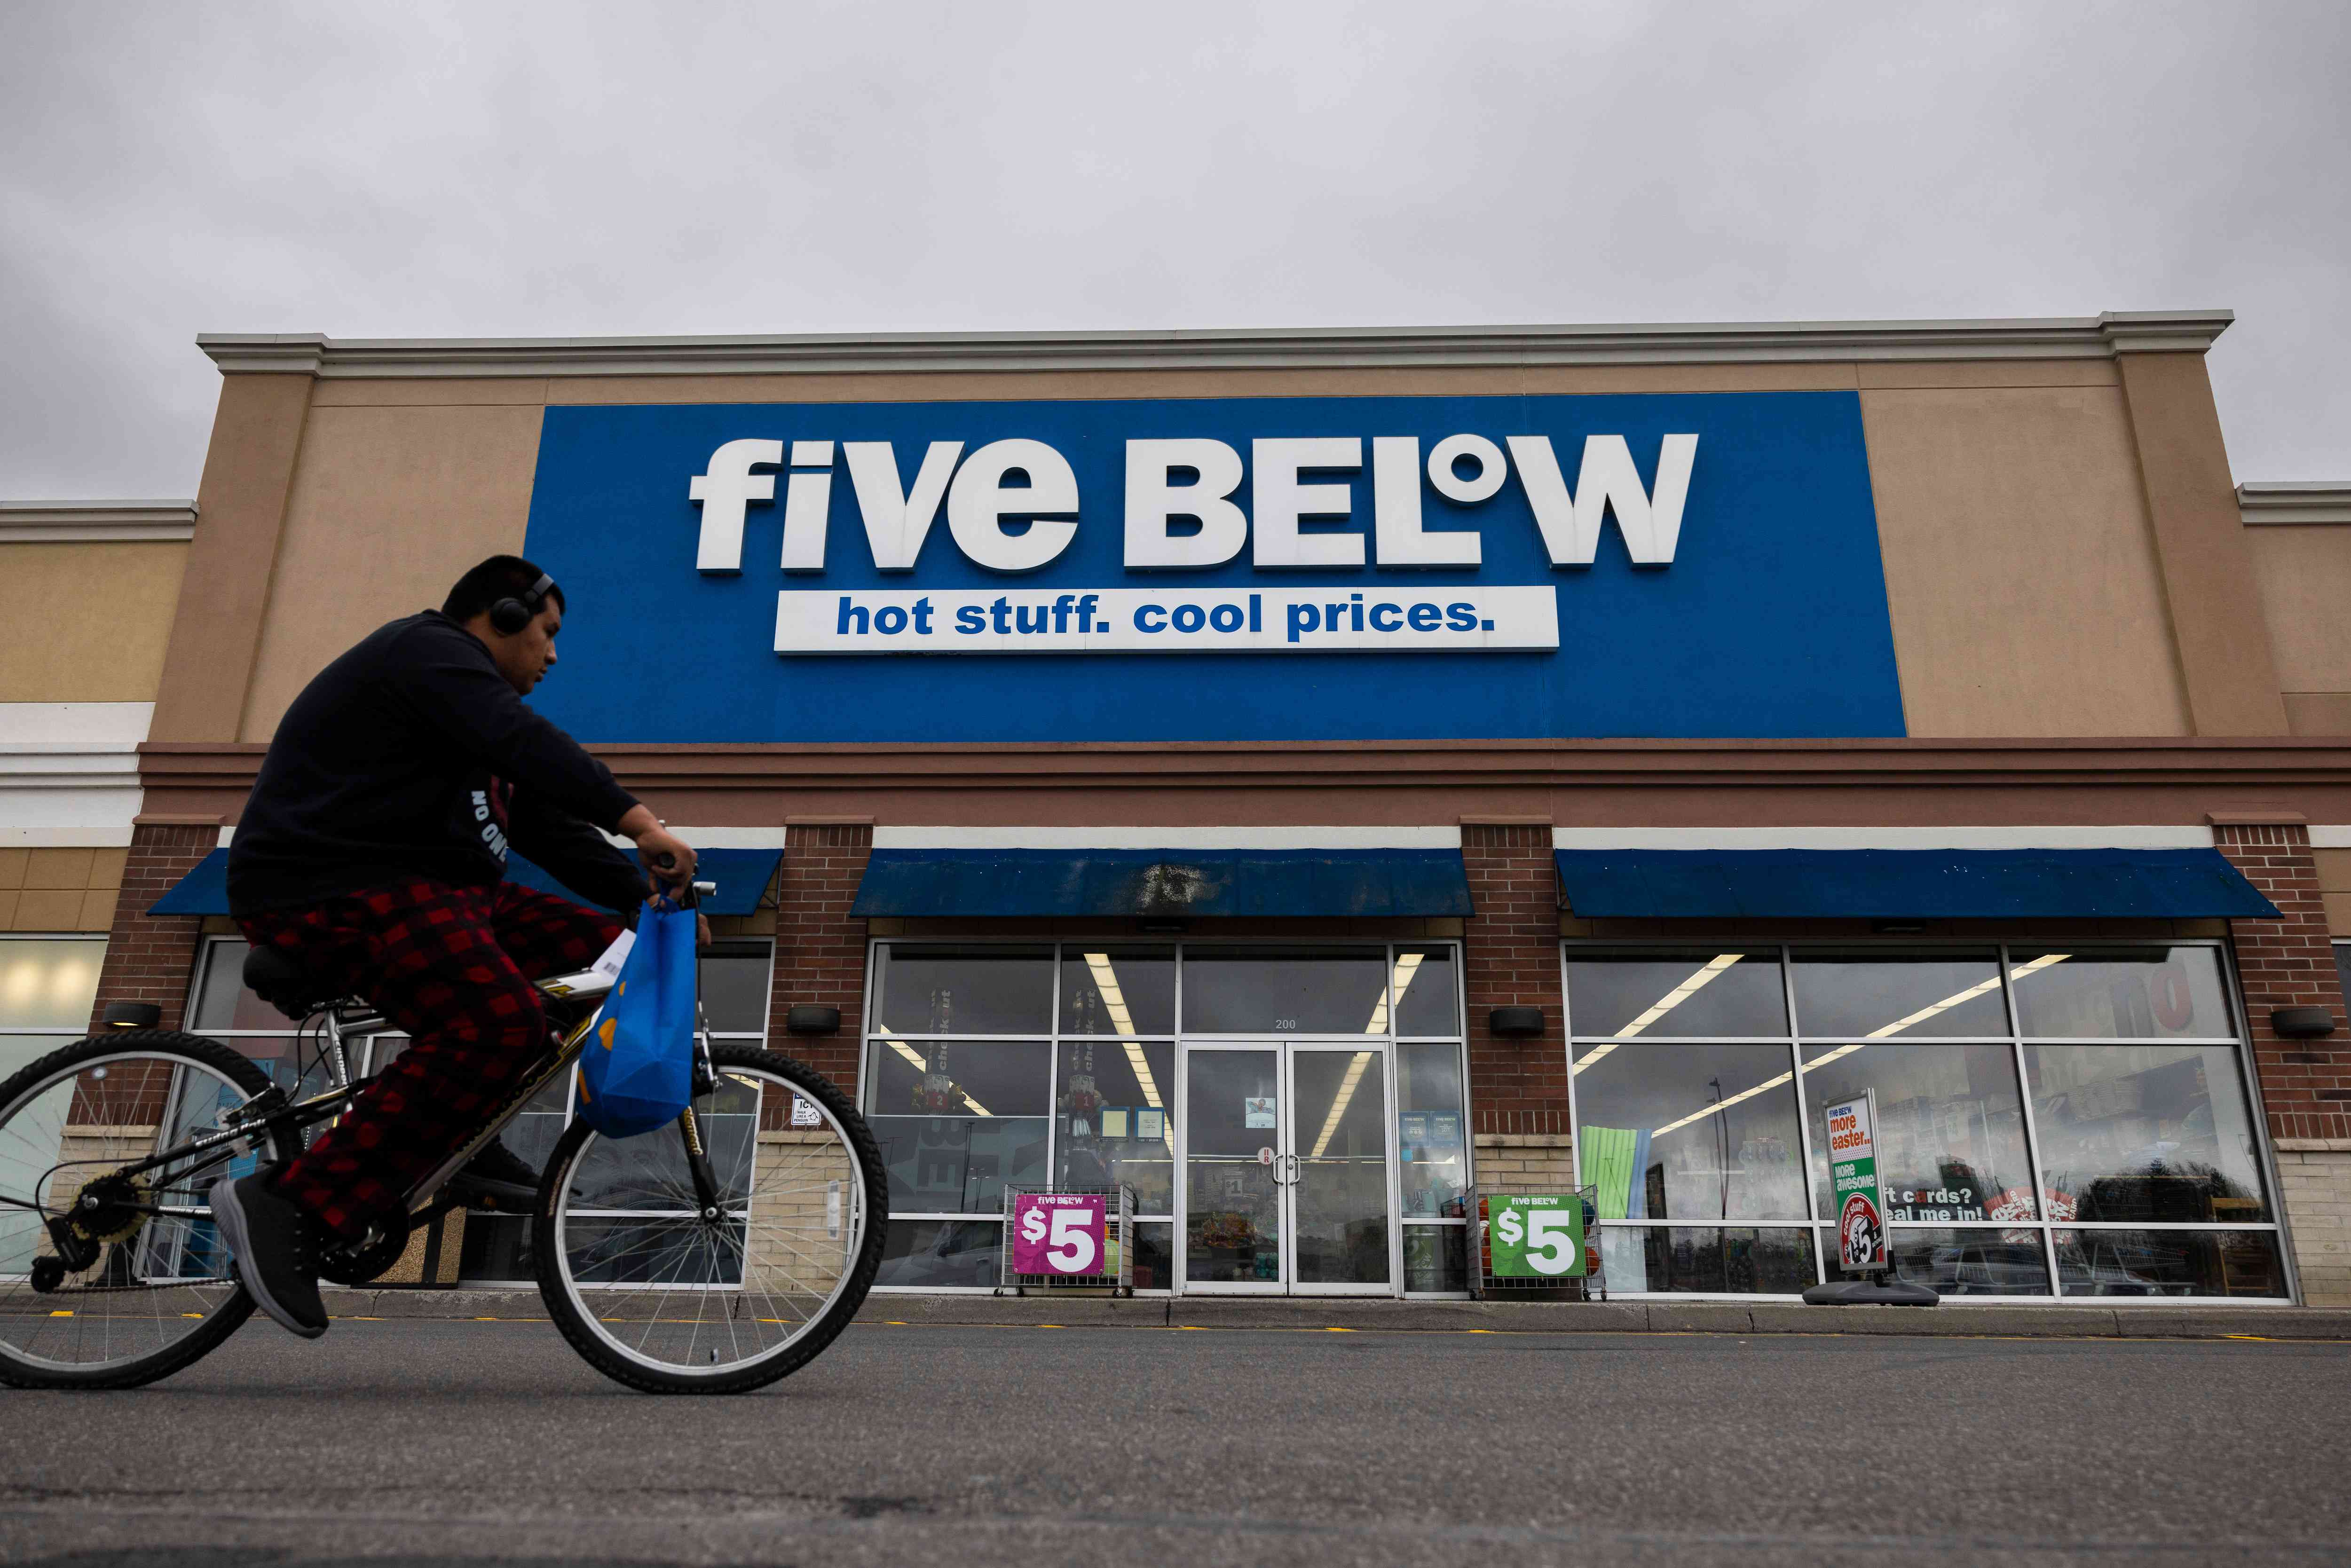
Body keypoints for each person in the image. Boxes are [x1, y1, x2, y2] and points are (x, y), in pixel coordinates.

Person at [210, 555, 698, 1339]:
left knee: (614, 948)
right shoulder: (428, 654)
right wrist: (637, 819)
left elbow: (549, 826)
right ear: (501, 617)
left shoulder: (469, 727)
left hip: (442, 891)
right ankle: (284, 1204)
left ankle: (465, 1135)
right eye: (546, 633)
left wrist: (647, 905)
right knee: (496, 1025)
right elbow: (528, 742)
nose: (554, 654)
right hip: (332, 881)